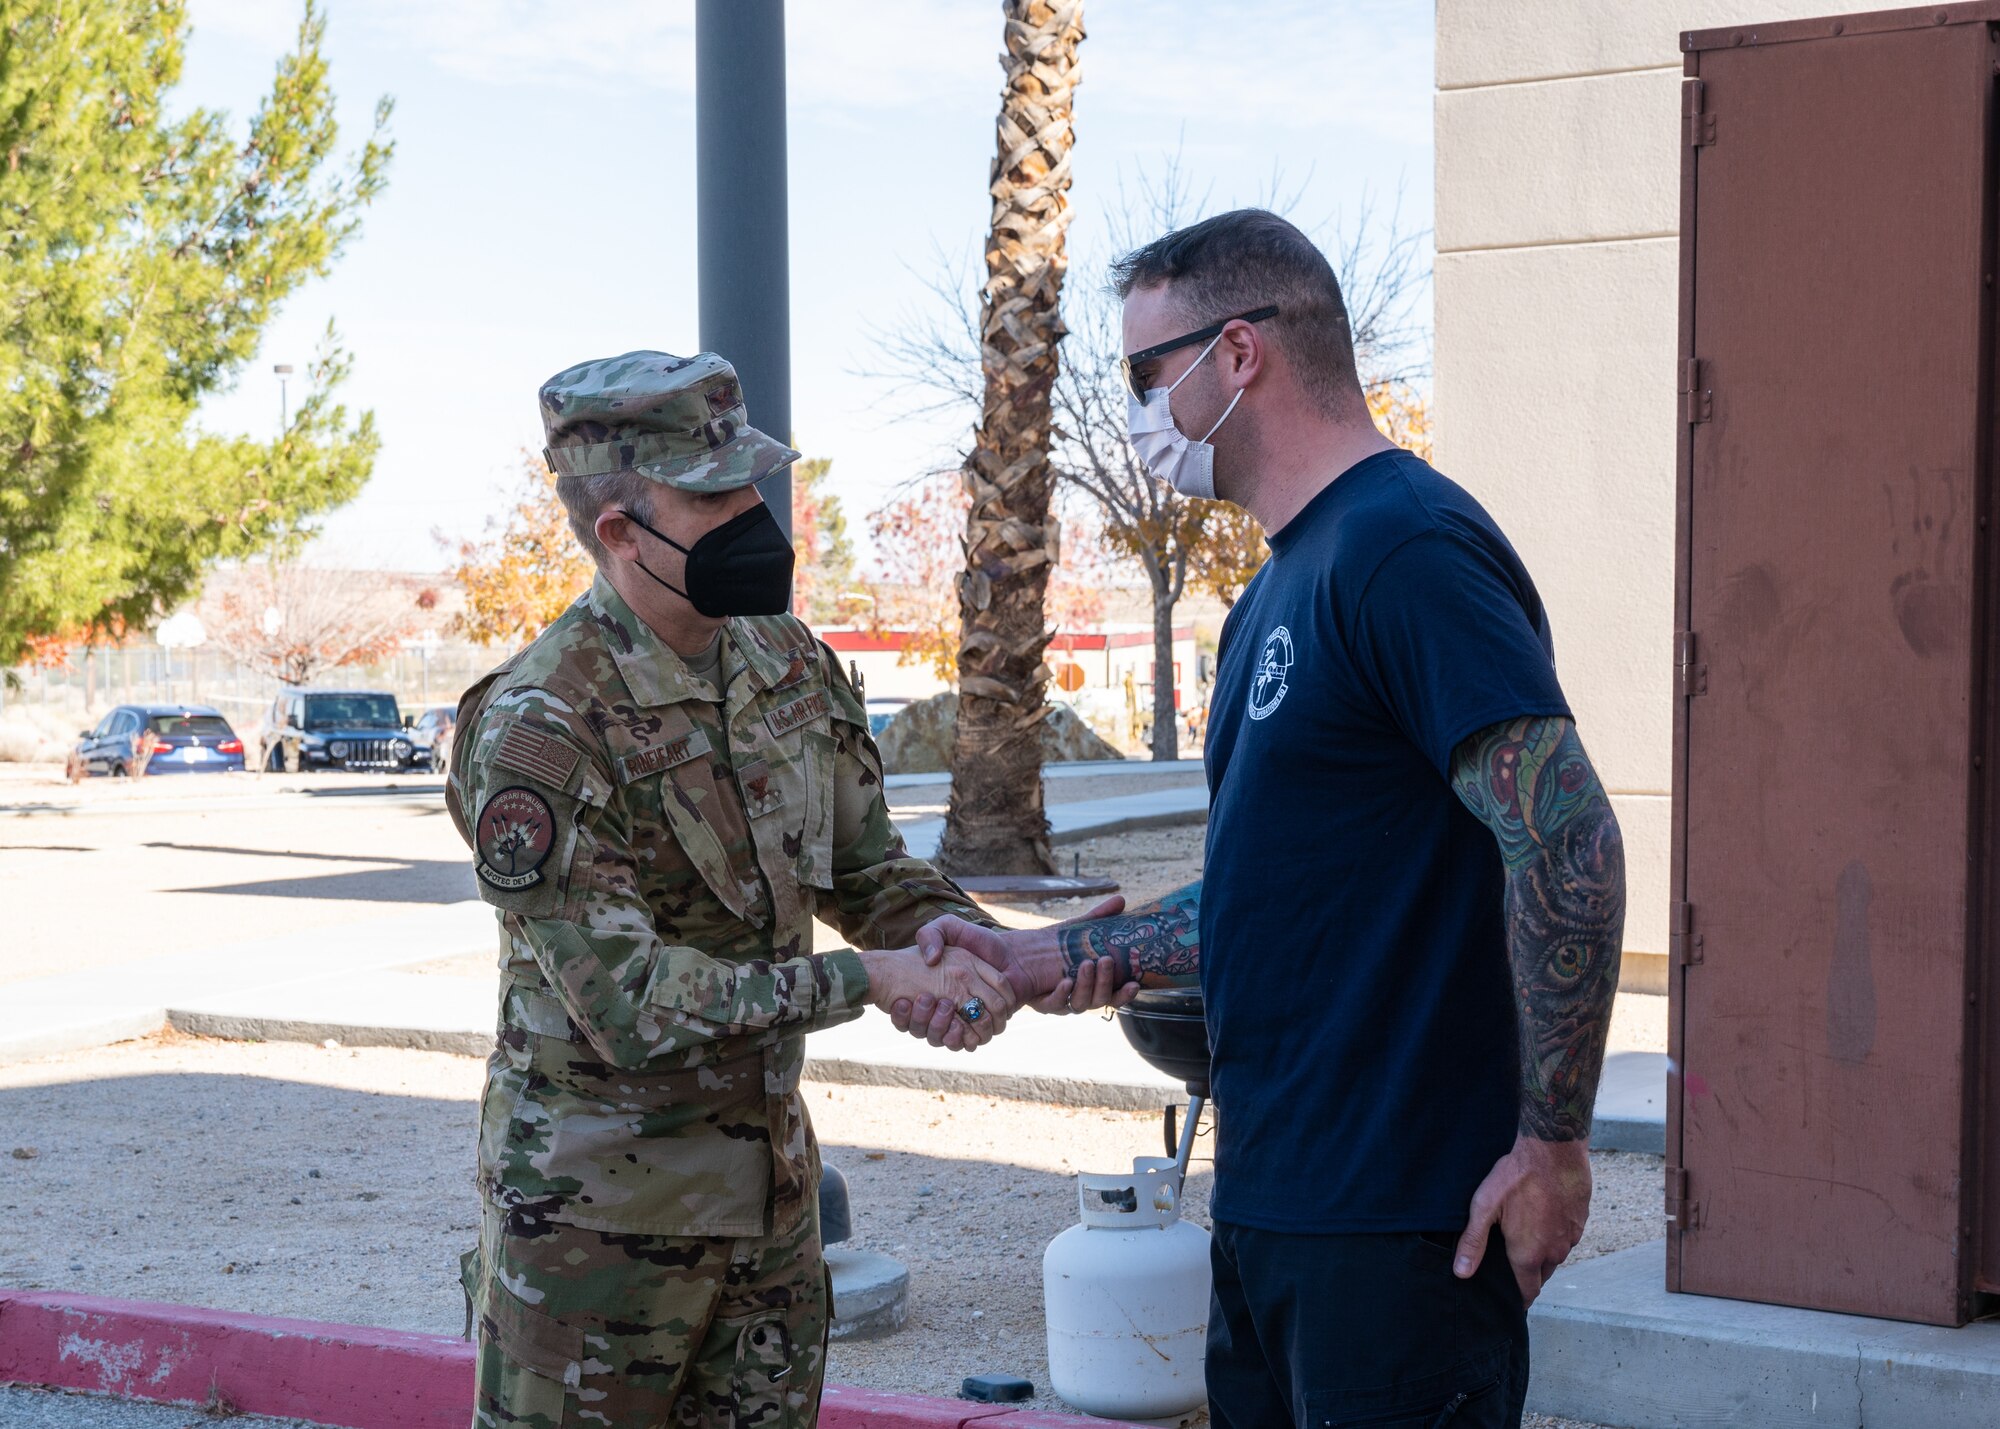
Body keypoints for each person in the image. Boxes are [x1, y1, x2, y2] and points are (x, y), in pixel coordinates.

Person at [907, 210, 1627, 1428]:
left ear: (1236, 354)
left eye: (1146, 374)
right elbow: (1274, 892)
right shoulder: (1271, 592)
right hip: (1271, 1212)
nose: (1139, 411)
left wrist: (1552, 1145)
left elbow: (1565, 837)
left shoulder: (1402, 547)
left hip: (1401, 1234)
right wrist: (1042, 959)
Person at [445, 350, 1080, 1427]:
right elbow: (631, 1005)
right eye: (712, 495)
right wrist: (868, 981)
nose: (754, 514)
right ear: (618, 531)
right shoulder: (542, 727)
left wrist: (983, 950)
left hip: (771, 1212)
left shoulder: (784, 662)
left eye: (750, 480)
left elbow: (869, 867)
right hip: (598, 1236)